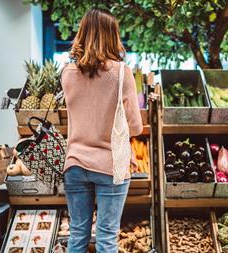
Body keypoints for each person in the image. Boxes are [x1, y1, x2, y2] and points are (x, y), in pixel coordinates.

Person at [61, 8, 143, 253]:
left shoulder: (67, 73)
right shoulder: (121, 73)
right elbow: (136, 127)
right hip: (110, 165)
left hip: (74, 163)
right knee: (106, 238)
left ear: (83, 33)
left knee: (77, 235)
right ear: (112, 35)